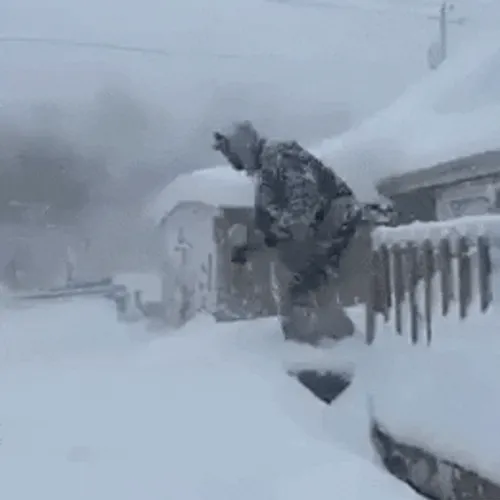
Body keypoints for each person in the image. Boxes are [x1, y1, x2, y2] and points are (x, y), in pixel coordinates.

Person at [213, 121, 393, 345]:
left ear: (243, 147)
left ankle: (320, 342)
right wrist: (250, 246)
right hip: (314, 230)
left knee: (303, 284)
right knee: (304, 281)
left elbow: (303, 201)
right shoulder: (265, 170)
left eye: (231, 154)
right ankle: (327, 339)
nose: (231, 162)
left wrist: (285, 231)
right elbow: (268, 221)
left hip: (333, 223)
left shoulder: (281, 157)